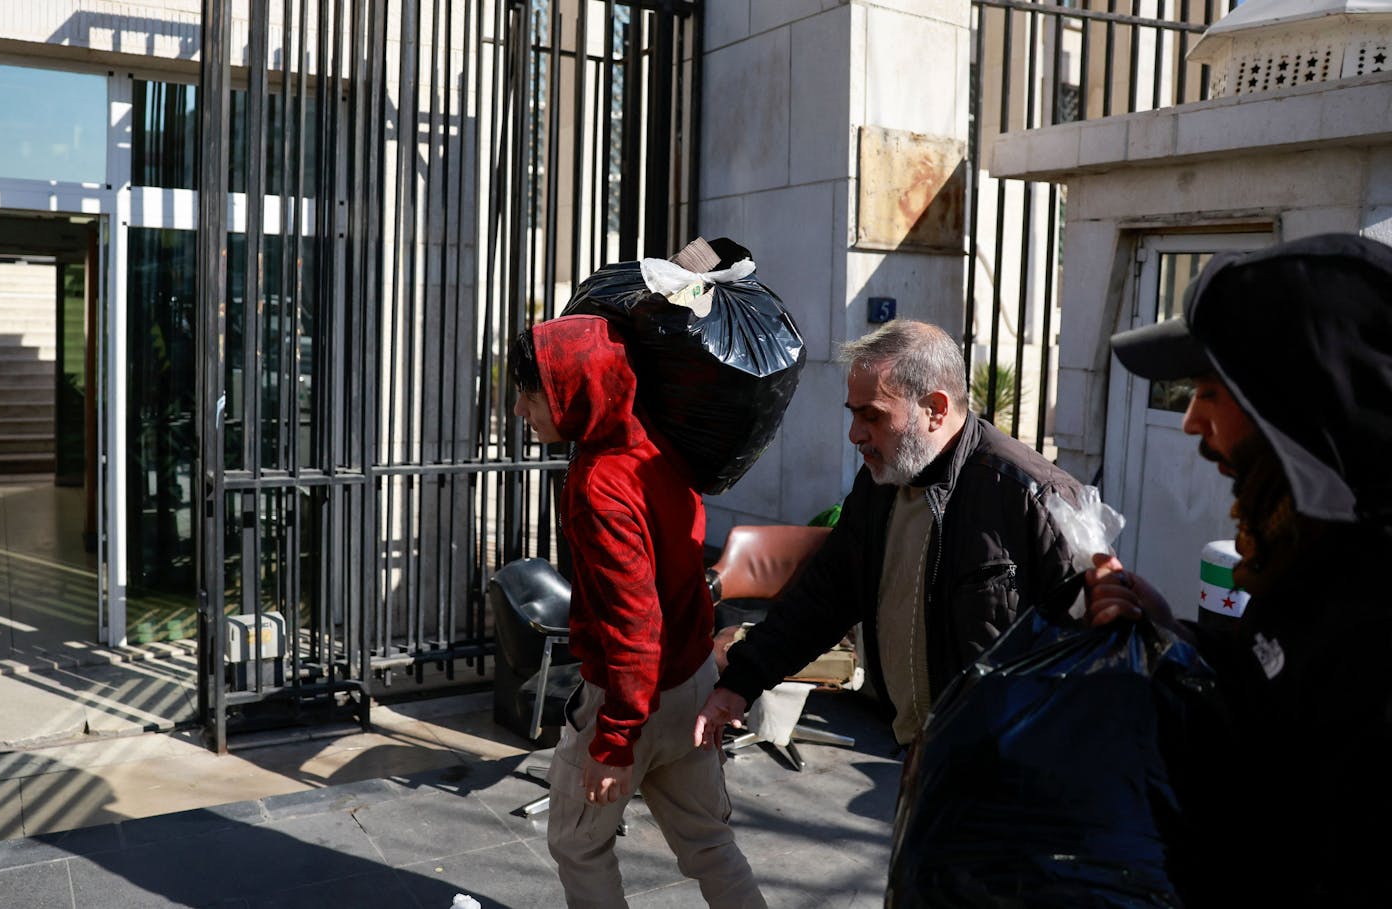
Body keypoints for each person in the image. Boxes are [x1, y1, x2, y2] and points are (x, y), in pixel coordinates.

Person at [1089, 232, 1392, 906]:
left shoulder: (1371, 618)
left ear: (1292, 415)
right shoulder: (1309, 558)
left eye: (1207, 392)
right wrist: (1170, 631)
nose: (1192, 423)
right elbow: (1266, 684)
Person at [694, 319, 1082, 753]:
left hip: (1013, 769)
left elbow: (1086, 658)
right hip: (922, 755)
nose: (855, 434)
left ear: (934, 409)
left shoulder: (1033, 496)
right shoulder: (881, 485)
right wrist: (741, 682)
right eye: (854, 414)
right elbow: (824, 597)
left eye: (872, 415)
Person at [510, 314, 765, 909]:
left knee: (579, 847)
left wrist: (615, 745)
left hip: (633, 700)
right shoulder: (656, 446)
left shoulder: (599, 485)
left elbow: (633, 626)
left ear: (573, 390)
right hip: (692, 682)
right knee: (709, 842)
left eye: (529, 394)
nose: (522, 411)